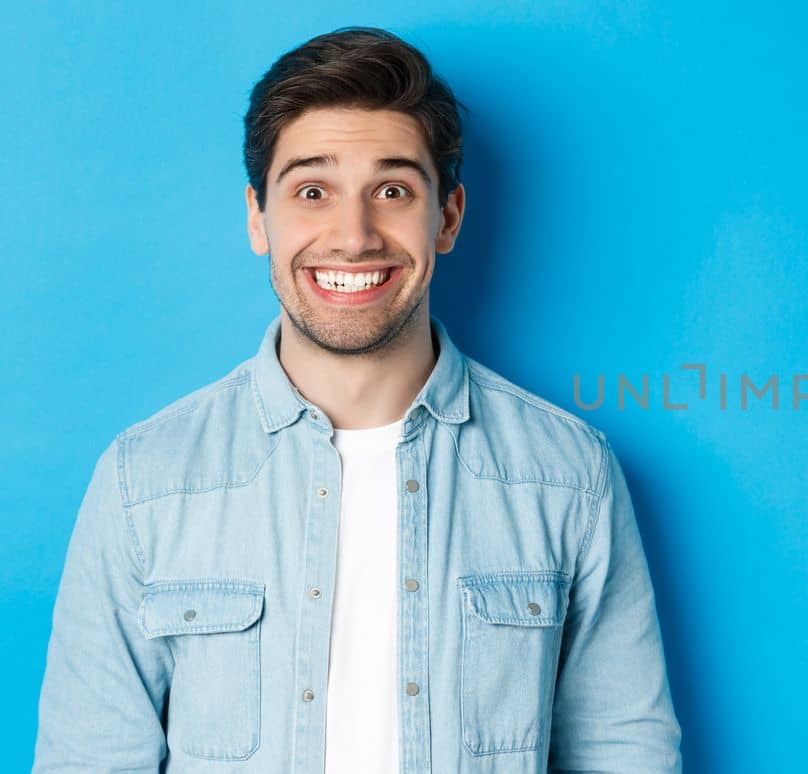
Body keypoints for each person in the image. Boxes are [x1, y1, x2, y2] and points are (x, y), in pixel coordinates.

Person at [33, 26, 682, 773]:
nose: (353, 235)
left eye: (393, 190)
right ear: (257, 217)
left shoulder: (569, 474)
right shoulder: (144, 482)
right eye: (312, 191)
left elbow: (624, 752)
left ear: (447, 216)